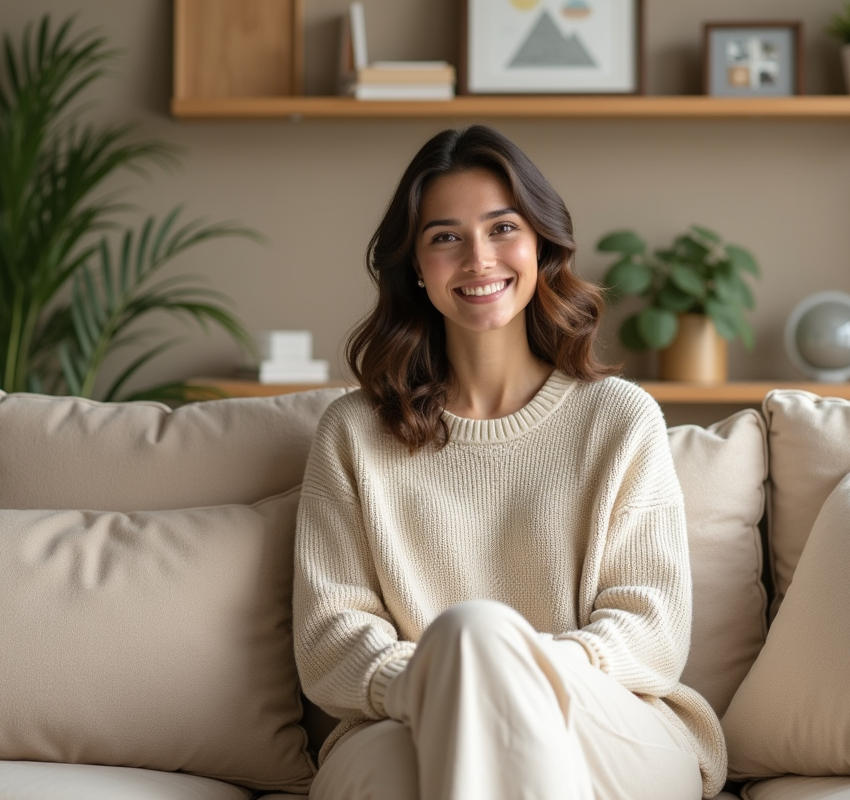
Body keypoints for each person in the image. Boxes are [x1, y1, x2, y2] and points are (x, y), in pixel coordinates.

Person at [292, 124, 726, 800]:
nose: (478, 258)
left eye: (502, 229)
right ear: (414, 265)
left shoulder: (619, 416)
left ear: (540, 244)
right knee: (470, 643)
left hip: (611, 721)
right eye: (445, 238)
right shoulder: (352, 434)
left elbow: (650, 631)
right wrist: (455, 675)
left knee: (477, 634)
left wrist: (502, 666)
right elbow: (332, 641)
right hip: (403, 719)